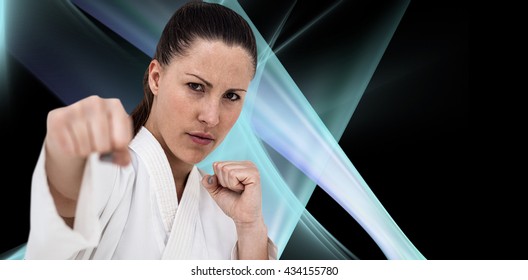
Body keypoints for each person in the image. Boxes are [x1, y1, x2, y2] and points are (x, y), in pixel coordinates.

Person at [24, 1, 277, 260]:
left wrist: (250, 227)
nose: (211, 117)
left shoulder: (229, 214)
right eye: (195, 86)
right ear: (156, 78)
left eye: (231, 96)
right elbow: (67, 198)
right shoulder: (108, 170)